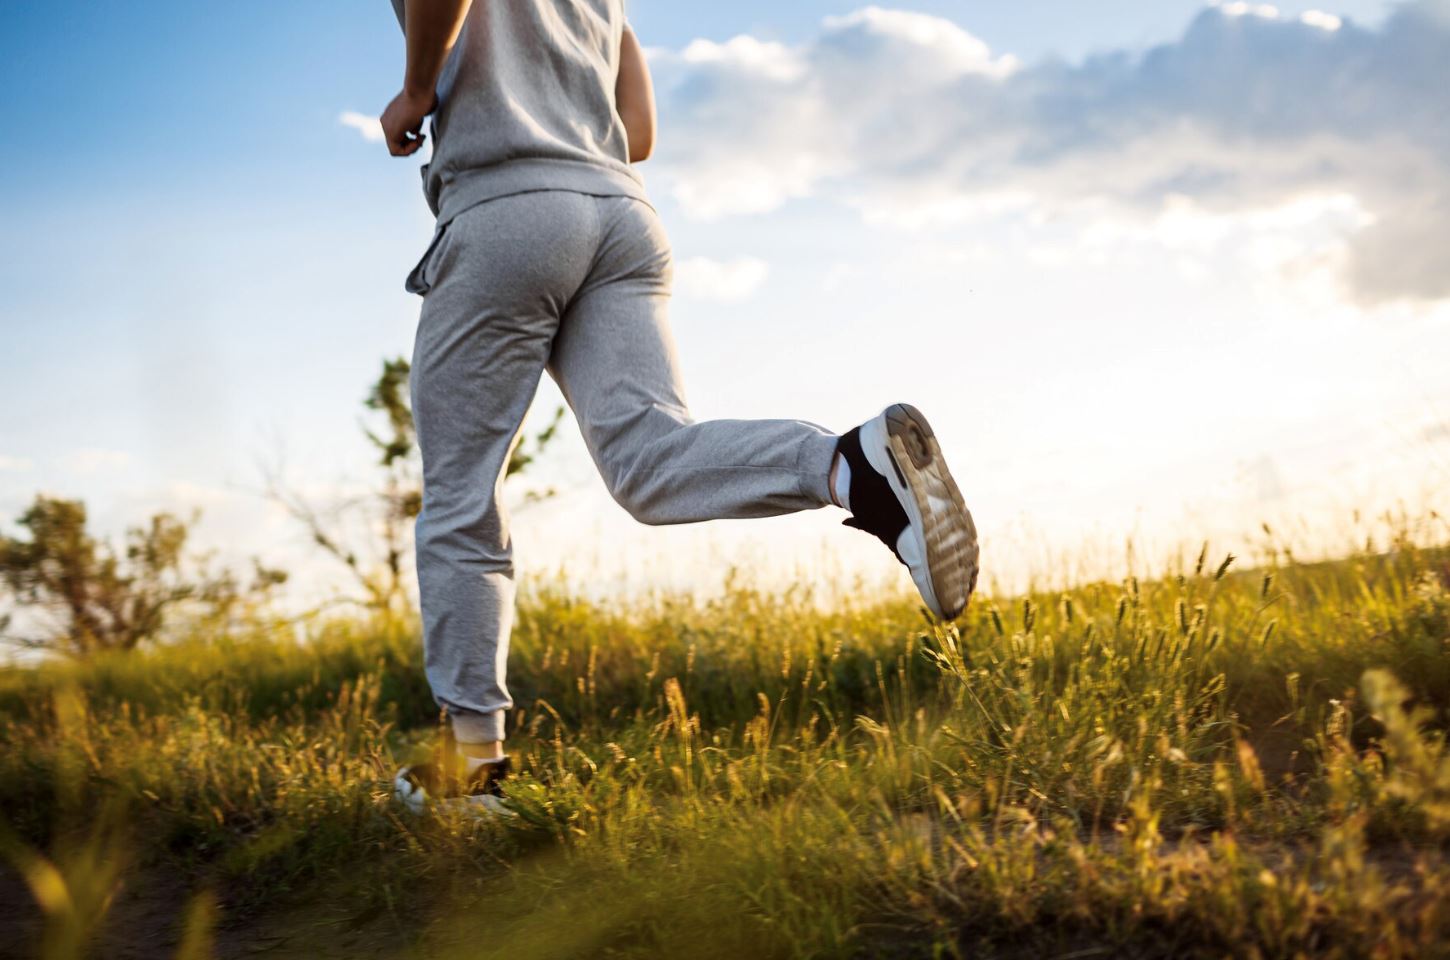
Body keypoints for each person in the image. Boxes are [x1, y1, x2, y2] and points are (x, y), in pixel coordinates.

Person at [381, 0, 979, 815]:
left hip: (506, 212)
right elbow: (639, 130)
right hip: (620, 216)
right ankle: (852, 465)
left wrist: (419, 90)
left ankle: (471, 768)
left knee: (460, 493)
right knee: (651, 462)